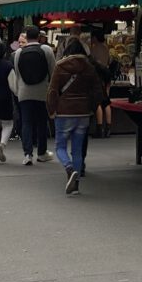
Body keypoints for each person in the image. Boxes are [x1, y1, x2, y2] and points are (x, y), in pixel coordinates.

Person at [48, 38, 104, 195]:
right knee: (77, 151)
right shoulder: (89, 67)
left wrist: (52, 110)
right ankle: (75, 184)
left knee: (60, 147)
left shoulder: (60, 66)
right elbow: (98, 91)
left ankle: (69, 168)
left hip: (64, 112)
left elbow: (52, 91)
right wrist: (91, 108)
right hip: (83, 113)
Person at [12, 27, 57, 165]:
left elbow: (18, 74)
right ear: (39, 36)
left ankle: (27, 154)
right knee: (41, 122)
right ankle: (42, 153)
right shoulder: (47, 50)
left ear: (27, 37)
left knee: (26, 122)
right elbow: (53, 71)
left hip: (24, 92)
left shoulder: (19, 52)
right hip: (42, 92)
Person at [89, 28, 114, 139]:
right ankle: (108, 128)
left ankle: (100, 128)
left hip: (97, 77)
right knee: (106, 102)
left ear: (95, 37)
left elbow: (91, 63)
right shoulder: (106, 48)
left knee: (98, 102)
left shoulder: (94, 49)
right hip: (106, 76)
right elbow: (108, 62)